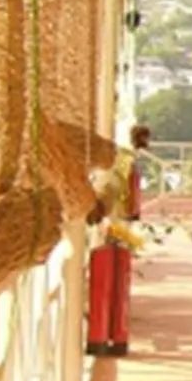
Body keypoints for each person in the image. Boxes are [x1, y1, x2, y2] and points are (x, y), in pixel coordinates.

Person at [85, 125, 150, 357]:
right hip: (111, 222)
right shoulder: (123, 159)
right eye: (144, 138)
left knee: (114, 277)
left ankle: (108, 335)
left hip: (116, 223)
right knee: (108, 276)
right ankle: (105, 335)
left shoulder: (127, 158)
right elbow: (114, 186)